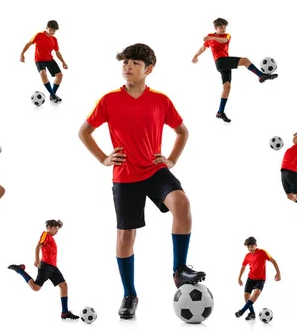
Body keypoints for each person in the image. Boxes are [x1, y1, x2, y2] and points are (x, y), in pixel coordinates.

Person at [78, 43, 206, 320]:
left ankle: (179, 269)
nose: (128, 66)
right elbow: (84, 132)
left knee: (182, 204)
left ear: (148, 69)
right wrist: (103, 158)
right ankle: (129, 294)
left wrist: (170, 160)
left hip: (154, 170)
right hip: (125, 175)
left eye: (135, 62)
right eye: (125, 61)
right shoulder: (109, 100)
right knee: (126, 236)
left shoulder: (160, 100)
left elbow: (182, 132)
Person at [192, 18, 278, 123]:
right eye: (220, 27)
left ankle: (220, 112)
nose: (223, 29)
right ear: (215, 28)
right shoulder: (210, 38)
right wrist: (196, 56)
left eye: (224, 27)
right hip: (220, 62)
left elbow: (224, 40)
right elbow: (202, 48)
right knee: (245, 61)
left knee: (227, 87)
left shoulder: (226, 35)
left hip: (226, 62)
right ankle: (261, 75)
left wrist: (211, 37)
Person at [8, 220, 79, 320]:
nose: (56, 232)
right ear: (49, 227)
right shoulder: (46, 234)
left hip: (53, 267)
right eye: (55, 229)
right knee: (35, 288)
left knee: (64, 286)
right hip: (46, 265)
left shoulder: (51, 238)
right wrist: (37, 260)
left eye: (57, 230)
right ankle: (20, 270)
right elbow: (38, 246)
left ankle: (65, 312)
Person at [20, 20, 68, 103]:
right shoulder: (39, 35)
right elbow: (28, 44)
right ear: (46, 28)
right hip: (39, 60)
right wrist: (22, 54)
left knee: (59, 75)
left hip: (49, 59)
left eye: (54, 31)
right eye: (50, 30)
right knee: (43, 73)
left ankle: (52, 95)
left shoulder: (54, 39)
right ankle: (53, 95)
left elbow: (57, 52)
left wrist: (63, 62)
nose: (52, 32)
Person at [235, 237, 281, 320]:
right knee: (246, 296)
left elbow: (273, 261)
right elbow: (243, 266)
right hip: (250, 278)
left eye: (252, 246)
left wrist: (278, 273)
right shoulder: (247, 256)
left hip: (260, 279)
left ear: (255, 245)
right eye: (248, 247)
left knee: (255, 294)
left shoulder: (262, 252)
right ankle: (252, 313)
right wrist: (239, 277)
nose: (250, 248)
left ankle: (241, 311)